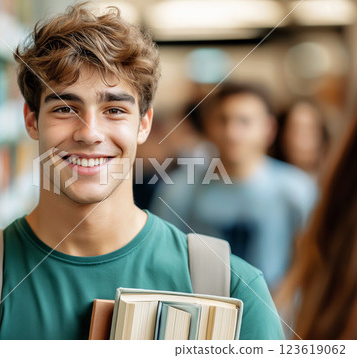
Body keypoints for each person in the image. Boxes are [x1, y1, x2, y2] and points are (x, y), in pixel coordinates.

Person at [0, 4, 283, 339]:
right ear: (31, 120)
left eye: (115, 110)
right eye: (64, 108)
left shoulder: (234, 290)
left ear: (144, 124)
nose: (89, 133)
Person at [151, 83, 317, 289]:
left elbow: (312, 260)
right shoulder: (179, 190)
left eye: (244, 121)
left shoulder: (297, 190)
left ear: (269, 128)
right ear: (208, 126)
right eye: (223, 120)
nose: (232, 132)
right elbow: (162, 260)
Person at [276, 117, 357, 339]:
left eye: (309, 130)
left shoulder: (304, 190)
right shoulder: (328, 202)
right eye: (295, 130)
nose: (300, 139)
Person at [271, 100, 330, 180]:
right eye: (297, 130)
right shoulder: (269, 180)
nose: (304, 137)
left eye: (311, 129)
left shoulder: (332, 180)